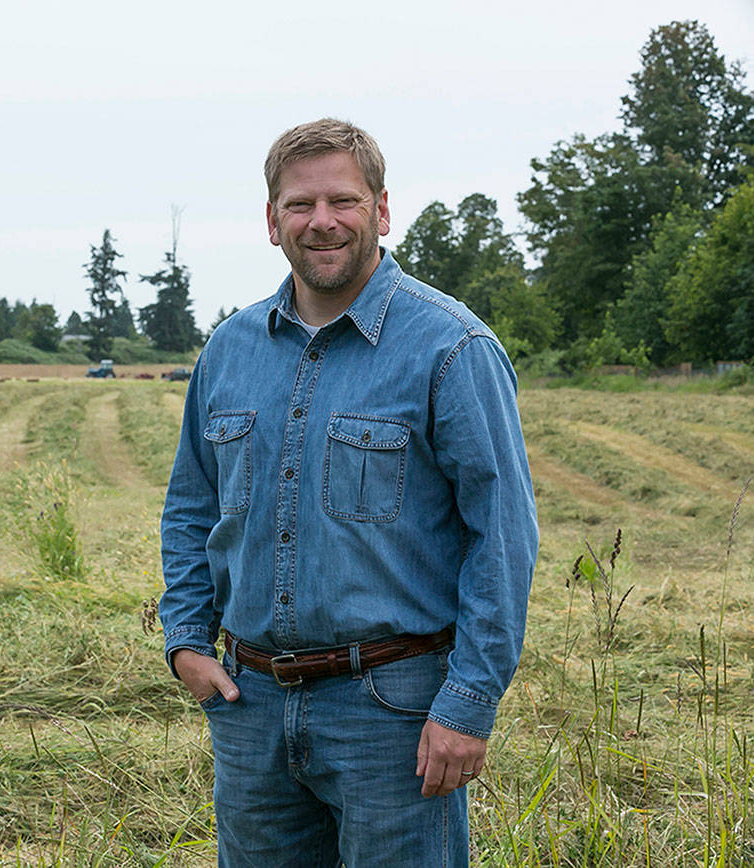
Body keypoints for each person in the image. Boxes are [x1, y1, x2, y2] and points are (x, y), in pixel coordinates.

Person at [158, 118, 539, 867]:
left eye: (344, 201)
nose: (322, 221)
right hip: (249, 704)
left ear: (382, 210)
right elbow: (192, 506)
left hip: (392, 710)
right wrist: (185, 641)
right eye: (300, 205)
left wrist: (467, 704)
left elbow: (501, 537)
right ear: (272, 221)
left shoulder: (451, 348)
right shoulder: (229, 351)